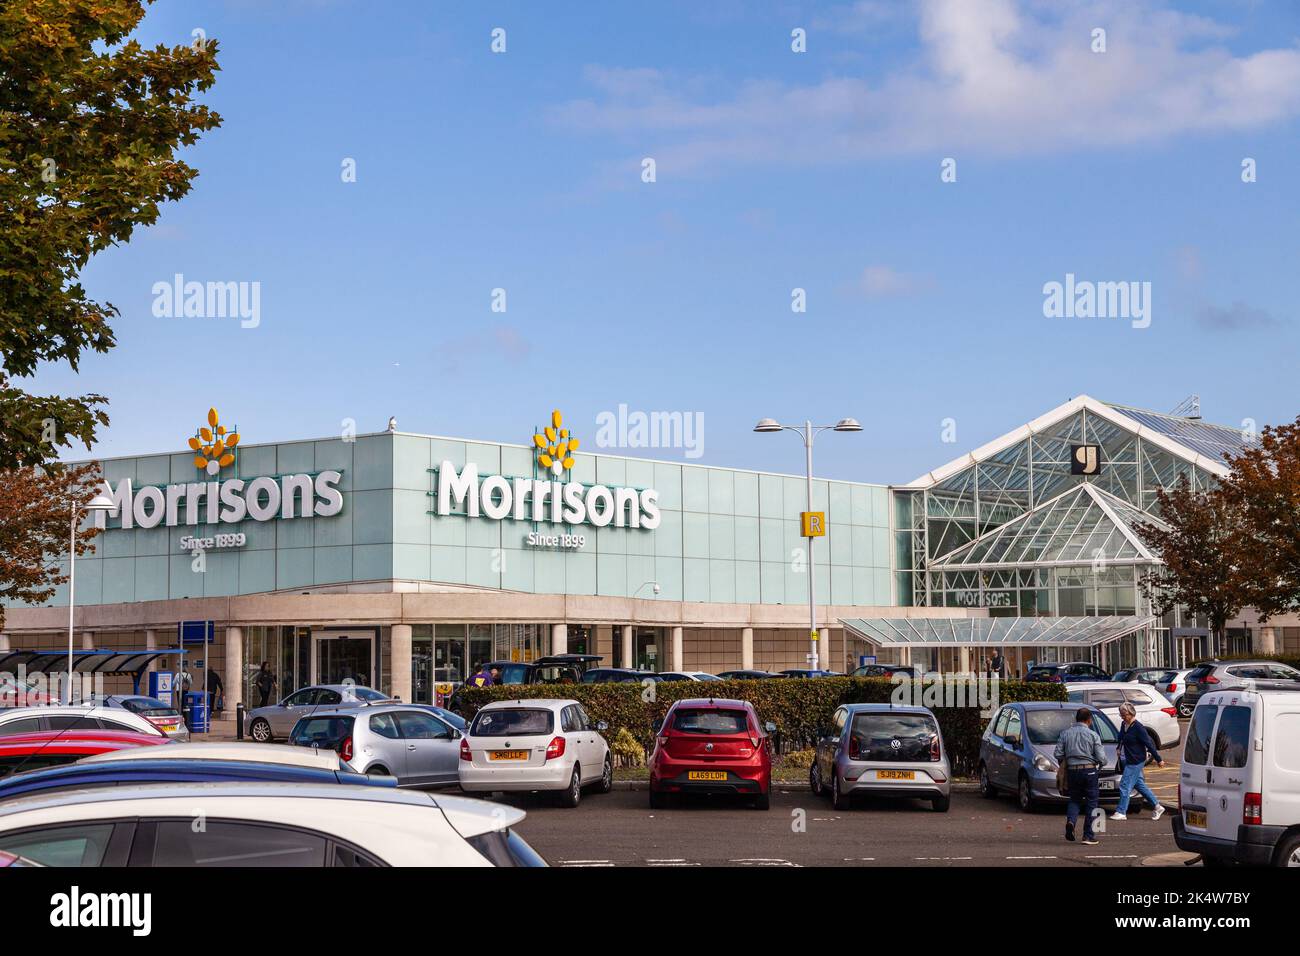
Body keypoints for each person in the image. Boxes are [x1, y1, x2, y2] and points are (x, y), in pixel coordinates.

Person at [1054, 707, 1107, 846]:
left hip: (1072, 771)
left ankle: (1071, 822)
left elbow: (1057, 754)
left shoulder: (1065, 734)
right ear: (1089, 720)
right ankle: (1088, 836)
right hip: (1089, 771)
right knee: (1092, 802)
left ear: (1076, 719)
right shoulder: (1093, 735)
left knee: (1074, 800)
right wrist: (1100, 764)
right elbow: (1102, 758)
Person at [1113, 702, 1166, 822]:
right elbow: (1121, 737)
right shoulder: (1124, 724)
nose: (1122, 717)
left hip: (1136, 760)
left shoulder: (1138, 728)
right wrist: (1118, 747)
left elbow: (1149, 744)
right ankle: (1157, 807)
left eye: (1124, 714)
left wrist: (1159, 759)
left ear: (1131, 714)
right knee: (1139, 785)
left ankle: (1121, 812)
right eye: (1121, 714)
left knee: (1124, 785)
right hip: (1128, 758)